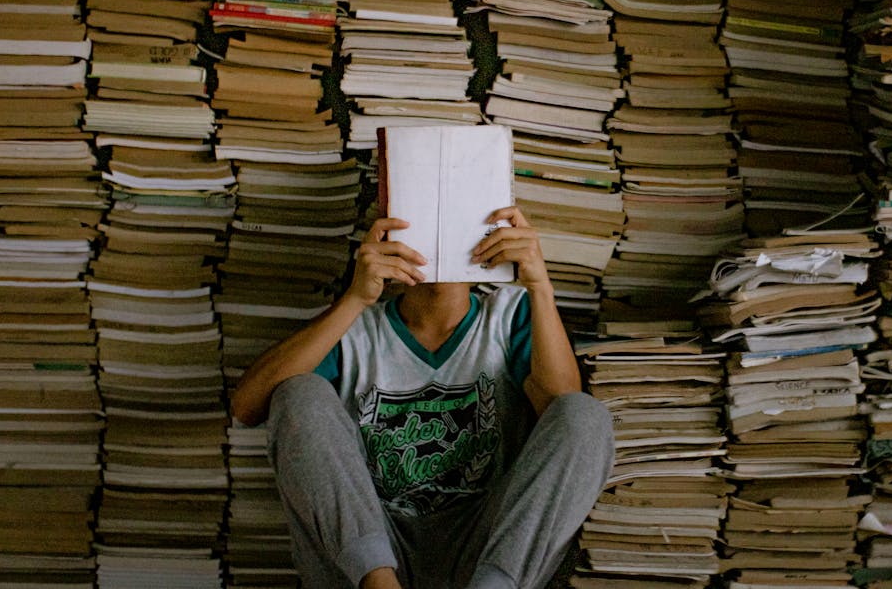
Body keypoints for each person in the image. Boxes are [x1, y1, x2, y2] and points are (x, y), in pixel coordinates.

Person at [230, 205, 615, 589]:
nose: (439, 240)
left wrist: (539, 286)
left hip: (486, 550)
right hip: (368, 556)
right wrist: (354, 299)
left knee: (585, 413)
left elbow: (565, 421)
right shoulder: (354, 330)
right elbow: (248, 407)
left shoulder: (509, 316)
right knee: (299, 392)